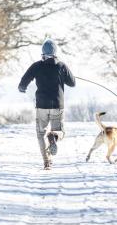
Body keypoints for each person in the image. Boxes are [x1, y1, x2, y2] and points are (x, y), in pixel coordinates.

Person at [18, 39, 76, 170]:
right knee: (60, 131)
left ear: (43, 53)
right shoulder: (61, 66)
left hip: (41, 105)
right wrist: (66, 75)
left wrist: (22, 88)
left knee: (40, 134)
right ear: (56, 53)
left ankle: (47, 162)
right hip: (57, 105)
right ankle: (54, 136)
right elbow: (73, 83)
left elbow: (24, 81)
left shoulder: (36, 66)